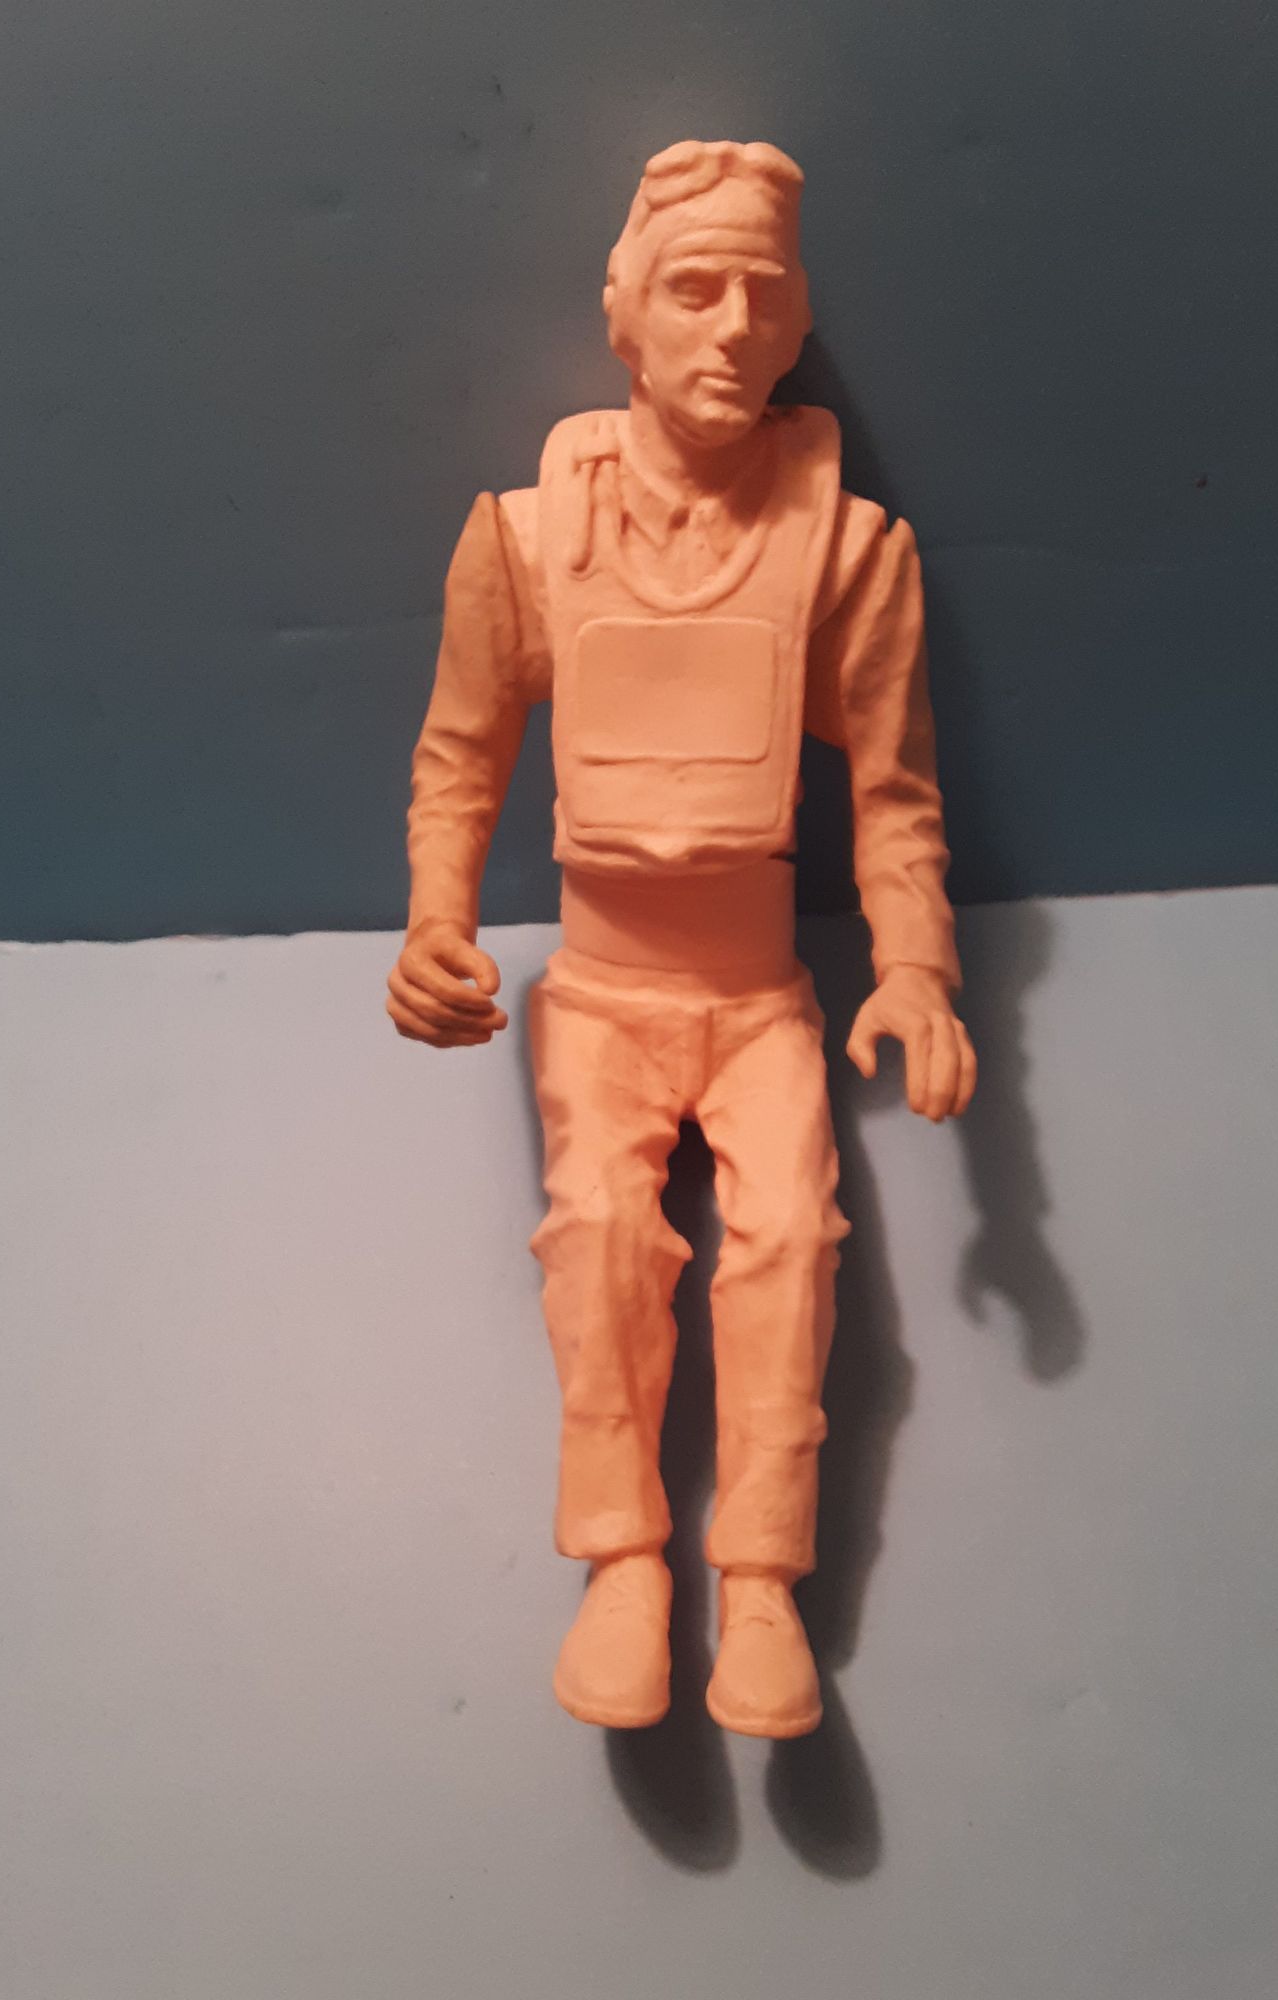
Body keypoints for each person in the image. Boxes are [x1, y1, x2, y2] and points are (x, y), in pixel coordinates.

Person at [386, 140, 976, 1738]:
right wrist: (436, 923)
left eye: (761, 295)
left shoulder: (849, 553)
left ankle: (763, 1577)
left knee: (788, 1240)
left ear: (798, 322)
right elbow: (459, 759)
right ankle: (622, 1559)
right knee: (598, 1233)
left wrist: (916, 967)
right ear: (624, 313)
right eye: (691, 288)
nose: (727, 327)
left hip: (761, 994)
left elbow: (897, 797)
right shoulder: (524, 540)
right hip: (597, 988)